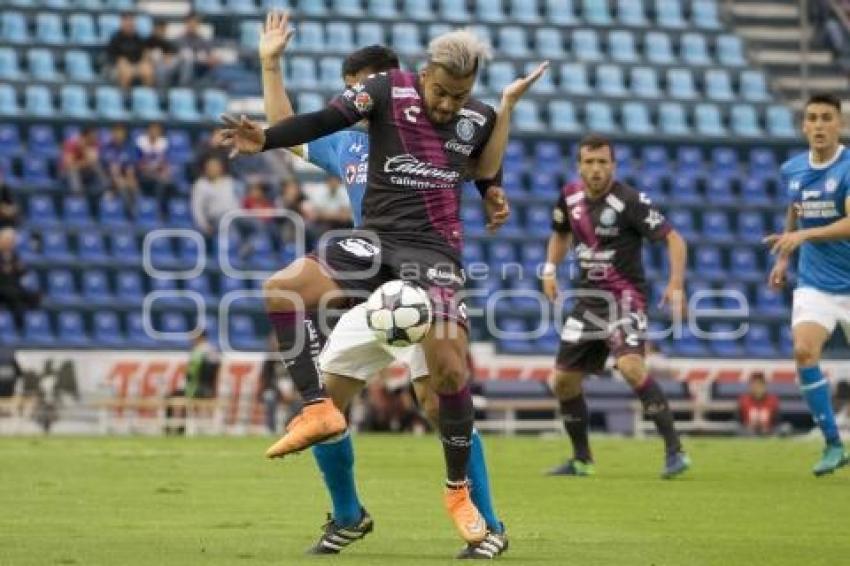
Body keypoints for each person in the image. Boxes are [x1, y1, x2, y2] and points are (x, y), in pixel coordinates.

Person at [221, 23, 545, 549]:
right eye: (440, 91)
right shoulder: (356, 130)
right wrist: (269, 109)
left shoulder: (467, 116)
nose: (445, 104)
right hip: (374, 255)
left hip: (430, 262)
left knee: (443, 386)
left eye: (457, 95)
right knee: (299, 322)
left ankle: (476, 511)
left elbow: (483, 166)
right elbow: (305, 121)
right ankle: (342, 497)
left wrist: (494, 186)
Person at [542, 134, 691, 479]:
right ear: (579, 165)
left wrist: (676, 284)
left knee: (630, 366)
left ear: (613, 165)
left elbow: (674, 238)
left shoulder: (630, 201)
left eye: (602, 162)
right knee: (562, 382)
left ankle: (675, 451)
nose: (596, 169)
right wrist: (549, 269)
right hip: (586, 302)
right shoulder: (569, 196)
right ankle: (582, 459)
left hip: (625, 300)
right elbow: (560, 233)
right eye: (589, 162)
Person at [764, 92, 850, 476]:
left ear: (839, 124)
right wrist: (784, 254)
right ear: (803, 126)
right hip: (815, 284)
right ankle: (833, 444)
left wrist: (803, 239)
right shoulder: (793, 169)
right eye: (812, 118)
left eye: (826, 118)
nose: (818, 125)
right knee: (803, 351)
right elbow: (795, 209)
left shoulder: (848, 167)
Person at [0, 227, 40, 328]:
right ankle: (17, 326)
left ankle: (26, 326)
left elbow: (22, 272)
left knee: (35, 296)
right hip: (2, 287)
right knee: (13, 296)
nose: (10, 243)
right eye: (7, 240)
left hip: (13, 286)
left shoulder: (15, 255)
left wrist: (19, 269)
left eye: (12, 241)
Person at [105, 12, 154, 88]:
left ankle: (146, 94)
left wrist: (144, 61)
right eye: (127, 21)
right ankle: (123, 96)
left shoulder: (138, 38)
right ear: (122, 23)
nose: (130, 24)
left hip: (136, 65)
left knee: (147, 70)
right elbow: (111, 57)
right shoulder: (115, 39)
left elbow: (144, 53)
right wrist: (120, 61)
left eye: (131, 21)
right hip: (117, 67)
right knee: (125, 71)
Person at [100, 124, 139, 211]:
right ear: (112, 134)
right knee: (120, 184)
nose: (118, 135)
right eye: (116, 132)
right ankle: (128, 212)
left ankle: (138, 210)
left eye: (120, 133)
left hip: (124, 177)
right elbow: (109, 168)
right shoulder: (107, 148)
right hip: (108, 178)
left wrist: (128, 180)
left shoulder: (129, 148)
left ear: (124, 134)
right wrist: (118, 179)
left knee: (133, 183)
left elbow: (130, 170)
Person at [61, 127, 107, 196]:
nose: (95, 137)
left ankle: (106, 190)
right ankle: (78, 196)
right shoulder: (72, 143)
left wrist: (84, 148)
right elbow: (68, 164)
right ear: (86, 135)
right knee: (73, 170)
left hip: (84, 171)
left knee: (97, 166)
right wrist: (84, 162)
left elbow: (94, 160)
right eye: (92, 135)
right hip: (66, 174)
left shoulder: (94, 143)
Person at [144, 19, 179, 87]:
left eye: (163, 29)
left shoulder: (167, 42)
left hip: (164, 67)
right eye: (160, 29)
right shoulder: (148, 41)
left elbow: (169, 57)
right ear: (155, 29)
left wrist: (166, 58)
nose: (162, 31)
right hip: (151, 66)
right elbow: (146, 55)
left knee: (164, 68)